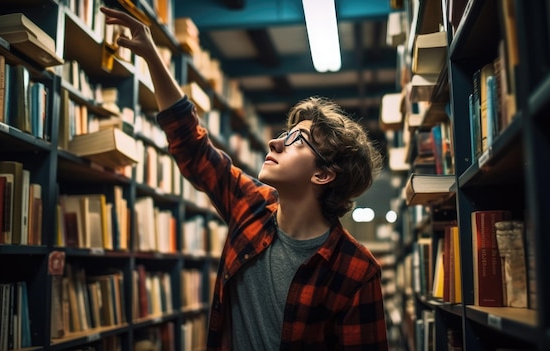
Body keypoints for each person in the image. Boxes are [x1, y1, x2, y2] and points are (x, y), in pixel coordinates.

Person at [101, 6, 389, 350]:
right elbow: (193, 148)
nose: (275, 142)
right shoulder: (251, 206)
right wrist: (152, 57)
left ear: (323, 174)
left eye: (297, 140)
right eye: (285, 132)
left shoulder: (356, 270)